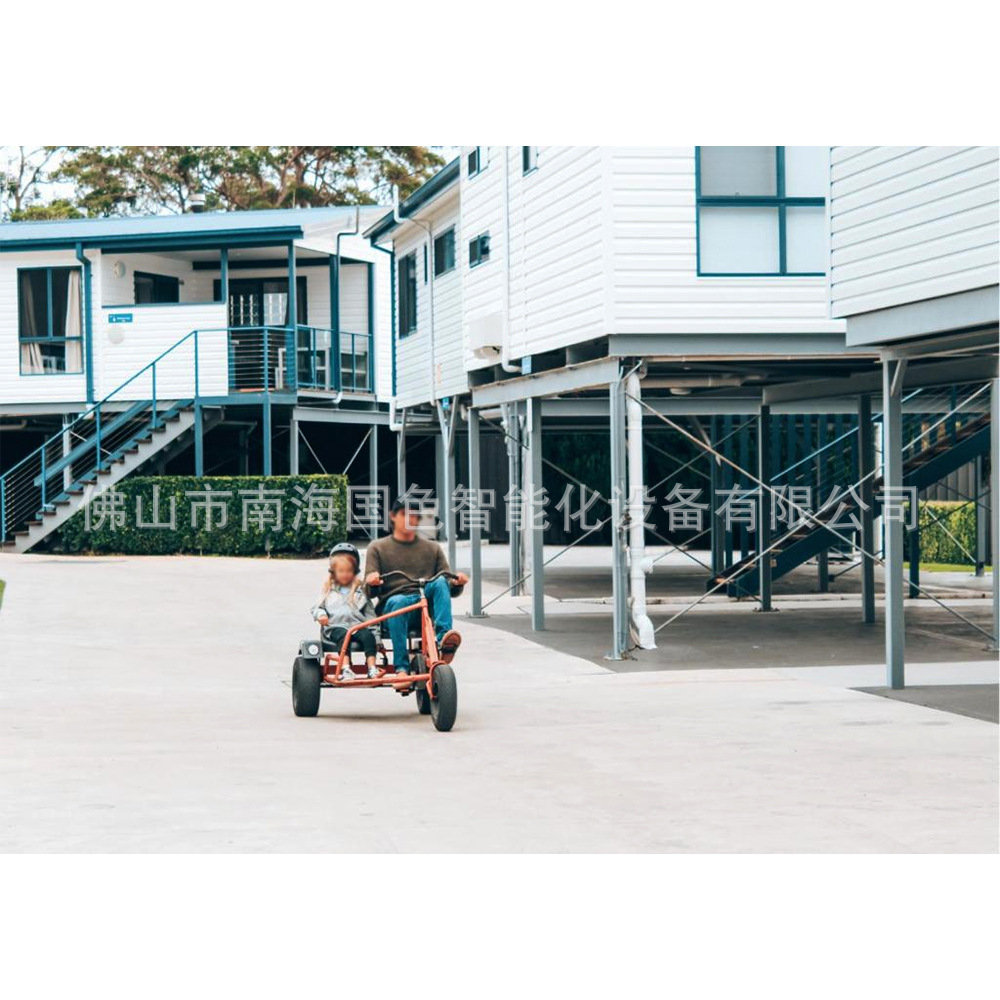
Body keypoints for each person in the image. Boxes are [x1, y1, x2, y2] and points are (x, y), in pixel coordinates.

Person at [365, 498, 469, 678]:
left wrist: (457, 583)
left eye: (414, 517)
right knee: (399, 601)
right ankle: (401, 669)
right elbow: (368, 591)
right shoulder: (378, 547)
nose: (409, 521)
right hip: (394, 605)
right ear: (393, 517)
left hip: (424, 606)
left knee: (440, 581)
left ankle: (444, 640)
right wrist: (372, 581)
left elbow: (447, 587)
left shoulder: (432, 548)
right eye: (404, 515)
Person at [313, 542, 383, 681]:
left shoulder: (360, 592)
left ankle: (372, 668)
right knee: (344, 637)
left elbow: (370, 616)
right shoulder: (328, 590)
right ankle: (345, 668)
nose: (345, 575)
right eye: (341, 571)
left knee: (368, 636)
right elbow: (317, 608)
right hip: (336, 627)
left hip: (357, 626)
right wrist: (321, 615)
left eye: (348, 571)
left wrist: (377, 639)